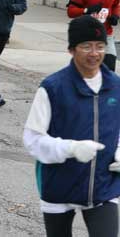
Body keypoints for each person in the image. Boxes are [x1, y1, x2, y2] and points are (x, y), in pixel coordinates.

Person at [24, 15, 120, 237]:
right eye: (86, 46)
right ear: (71, 50)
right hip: (60, 186)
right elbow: (32, 140)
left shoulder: (115, 86)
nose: (94, 53)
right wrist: (71, 149)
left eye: (100, 46)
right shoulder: (52, 88)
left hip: (102, 186)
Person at [67, 0, 120, 71]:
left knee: (110, 66)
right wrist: (87, 10)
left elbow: (116, 5)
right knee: (90, 68)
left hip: (107, 33)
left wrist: (116, 16)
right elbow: (70, 11)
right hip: (88, 35)